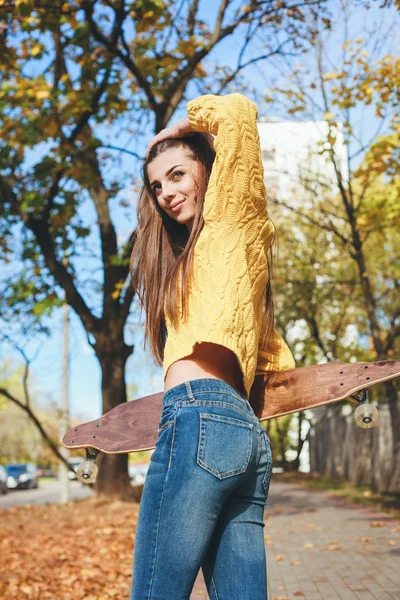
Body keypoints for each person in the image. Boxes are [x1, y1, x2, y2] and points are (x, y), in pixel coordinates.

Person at [129, 93, 295, 600]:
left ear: (207, 166)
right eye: (158, 186)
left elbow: (238, 114)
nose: (166, 192)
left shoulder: (230, 220)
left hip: (199, 419)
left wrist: (173, 132)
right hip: (243, 434)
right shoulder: (208, 256)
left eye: (178, 174)